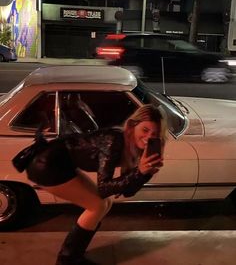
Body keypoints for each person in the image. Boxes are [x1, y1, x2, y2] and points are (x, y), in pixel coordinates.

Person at [13, 104, 167, 265]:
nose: (149, 137)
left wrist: (145, 173)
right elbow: (104, 188)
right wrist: (139, 172)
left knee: (105, 204)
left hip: (63, 163)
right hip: (47, 164)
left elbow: (127, 191)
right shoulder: (115, 140)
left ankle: (74, 254)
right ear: (132, 126)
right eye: (145, 130)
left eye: (154, 133)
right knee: (98, 205)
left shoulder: (134, 148)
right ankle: (67, 260)